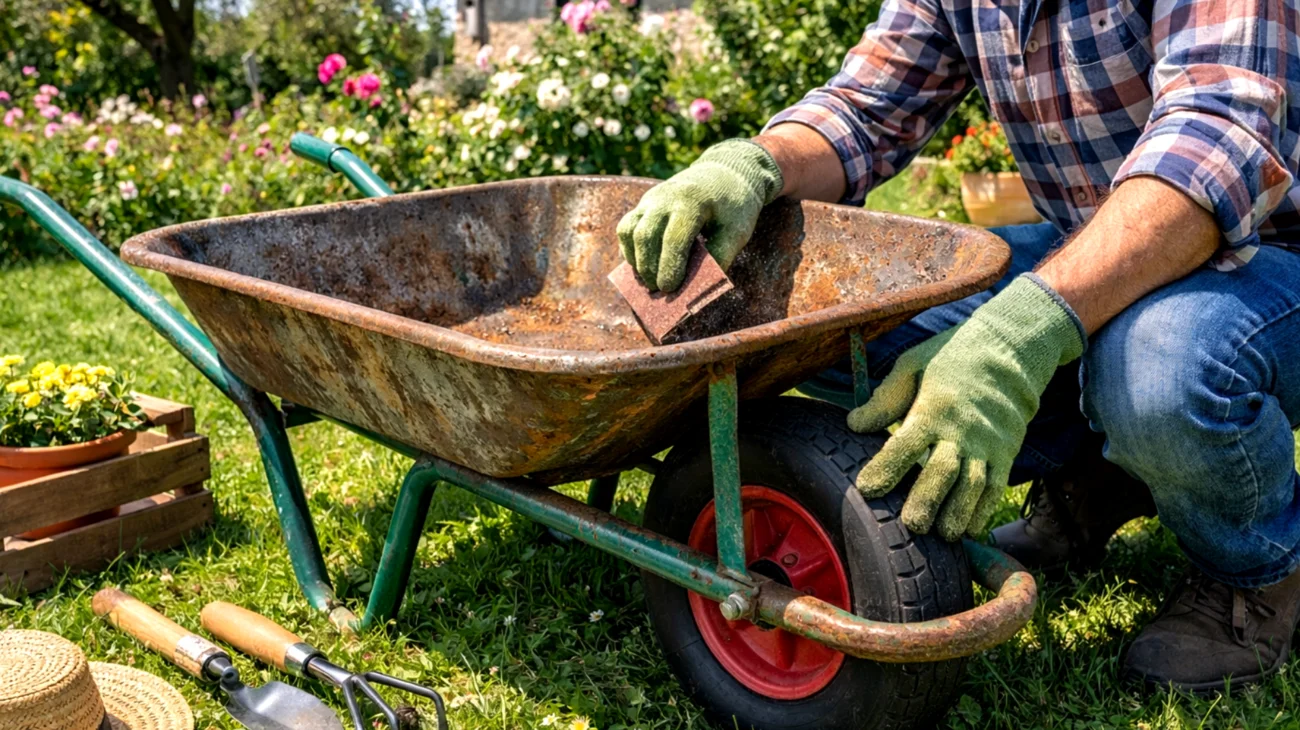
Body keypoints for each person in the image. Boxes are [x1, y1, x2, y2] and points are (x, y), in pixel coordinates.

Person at [617, 0, 1300, 693]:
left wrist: (1012, 341)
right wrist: (755, 164)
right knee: (839, 316)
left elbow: (1217, 142)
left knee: (1156, 368)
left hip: (1270, 254)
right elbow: (864, 109)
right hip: (1100, 245)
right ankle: (1104, 473)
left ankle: (1257, 572)